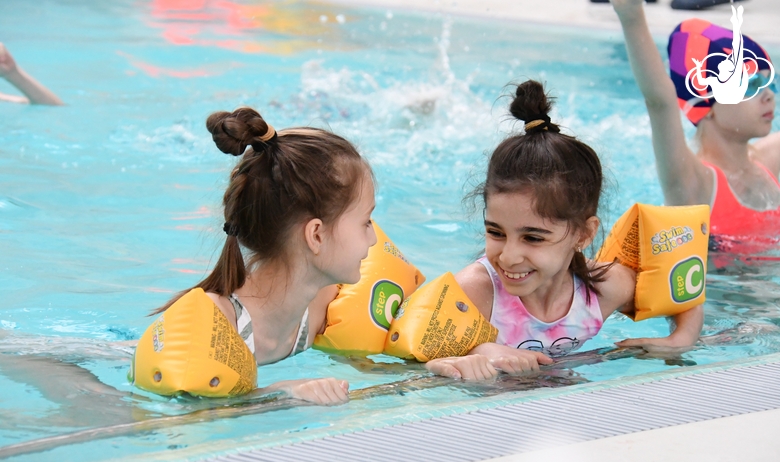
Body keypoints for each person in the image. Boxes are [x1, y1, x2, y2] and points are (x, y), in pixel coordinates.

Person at [426, 80, 704, 380]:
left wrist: (682, 338)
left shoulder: (603, 290)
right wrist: (478, 353)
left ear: (584, 234)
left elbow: (682, 293)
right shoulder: (473, 294)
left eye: (532, 237)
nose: (508, 256)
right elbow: (408, 361)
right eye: (496, 232)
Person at [153, 107, 377, 405]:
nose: (375, 238)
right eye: (366, 222)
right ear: (316, 235)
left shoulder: (322, 306)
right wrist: (280, 392)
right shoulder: (219, 323)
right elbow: (188, 411)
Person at [611, 0, 779, 253]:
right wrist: (630, 14)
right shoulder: (694, 185)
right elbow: (660, 102)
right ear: (705, 103)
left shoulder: (768, 163)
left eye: (770, 84)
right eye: (750, 85)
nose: (768, 96)